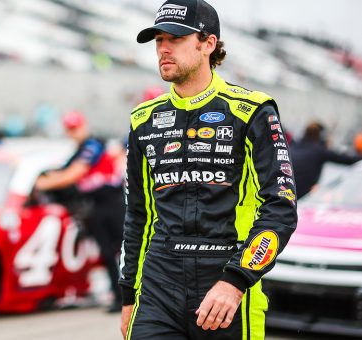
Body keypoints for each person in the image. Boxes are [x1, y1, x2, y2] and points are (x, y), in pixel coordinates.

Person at [119, 1, 298, 339]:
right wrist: (129, 293)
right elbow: (136, 215)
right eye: (158, 40)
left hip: (225, 278)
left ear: (208, 43)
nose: (164, 48)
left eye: (176, 37)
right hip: (158, 286)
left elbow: (281, 208)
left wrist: (236, 281)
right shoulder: (143, 119)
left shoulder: (252, 111)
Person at [34, 111, 125, 313]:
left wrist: (41, 183)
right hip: (95, 207)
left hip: (115, 203)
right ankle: (119, 298)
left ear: (84, 125)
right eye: (70, 129)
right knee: (107, 254)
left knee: (127, 251)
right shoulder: (77, 151)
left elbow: (73, 174)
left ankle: (142, 296)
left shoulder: (94, 144)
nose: (74, 132)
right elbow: (62, 171)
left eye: (76, 127)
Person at [290, 121, 362, 198]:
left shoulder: (292, 146)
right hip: (303, 196)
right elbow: (347, 160)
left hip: (287, 191)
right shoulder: (319, 150)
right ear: (322, 137)